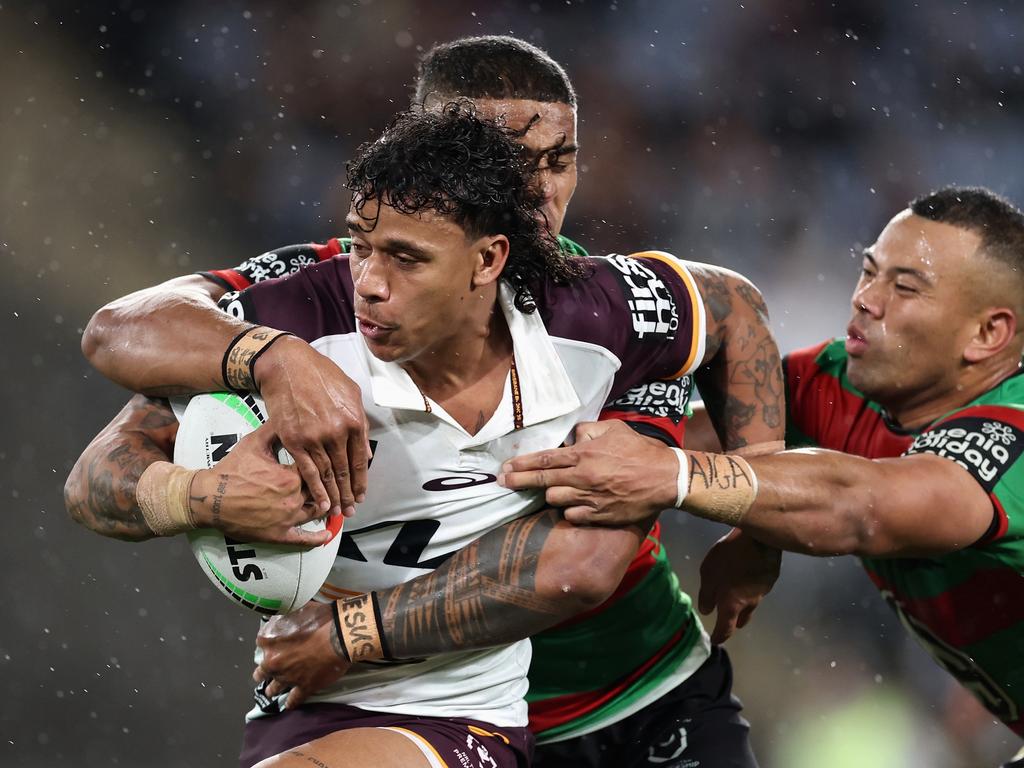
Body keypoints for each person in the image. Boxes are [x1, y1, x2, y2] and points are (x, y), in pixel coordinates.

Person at [73, 36, 781, 767]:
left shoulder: (603, 313)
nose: (538, 190)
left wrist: (757, 532)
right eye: (501, 156)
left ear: (490, 257)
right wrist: (221, 460)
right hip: (397, 710)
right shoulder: (316, 305)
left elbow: (582, 560)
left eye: (559, 161)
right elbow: (118, 357)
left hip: (631, 690)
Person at [498, 186, 1024, 761]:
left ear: (988, 334)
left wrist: (676, 477)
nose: (866, 300)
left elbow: (864, 508)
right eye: (869, 272)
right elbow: (700, 432)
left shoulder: (1012, 429)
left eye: (905, 288)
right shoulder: (842, 385)